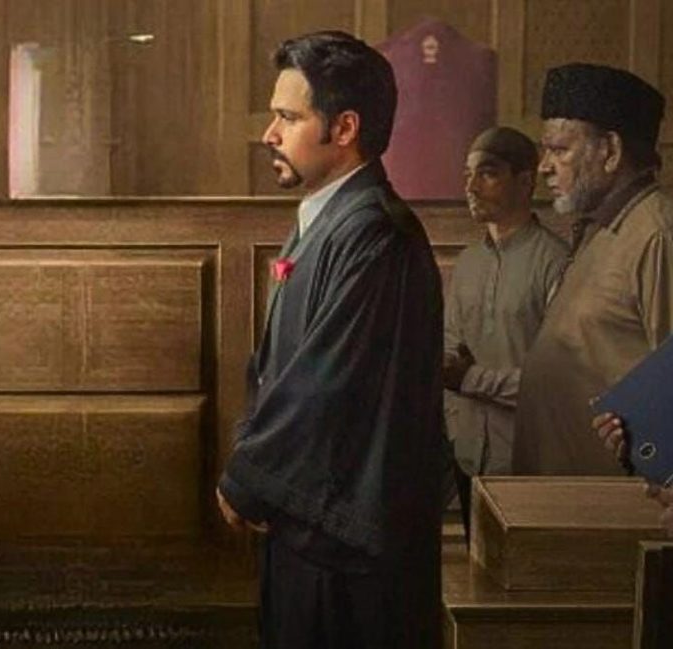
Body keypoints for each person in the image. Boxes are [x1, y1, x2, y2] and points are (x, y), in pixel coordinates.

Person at [215, 30, 445, 649]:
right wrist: (250, 459)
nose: (270, 134)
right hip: (305, 523)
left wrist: (246, 478)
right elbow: (270, 370)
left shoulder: (377, 234)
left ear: (344, 128)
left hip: (347, 546)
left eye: (289, 118)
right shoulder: (327, 219)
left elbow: (324, 384)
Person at [513, 63, 673, 475]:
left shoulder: (658, 233)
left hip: (611, 502)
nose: (544, 166)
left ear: (610, 151)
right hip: (556, 493)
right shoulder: (597, 228)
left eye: (559, 150)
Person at [444, 127, 568, 531]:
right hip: (467, 458)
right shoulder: (468, 264)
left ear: (526, 181)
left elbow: (557, 382)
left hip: (527, 461)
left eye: (488, 173)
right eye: (468, 175)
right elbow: (448, 354)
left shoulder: (556, 263)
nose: (471, 187)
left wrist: (471, 379)